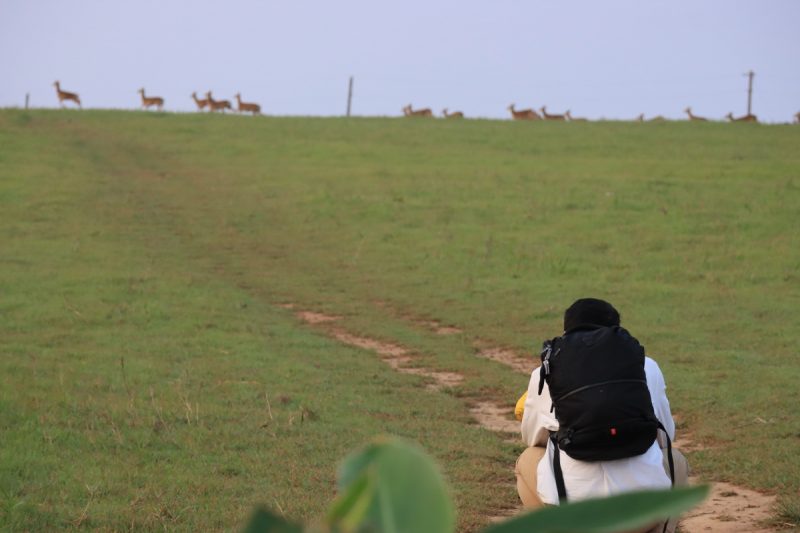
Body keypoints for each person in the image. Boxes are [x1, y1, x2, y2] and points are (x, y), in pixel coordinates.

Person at [515, 298, 690, 533]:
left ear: (567, 333)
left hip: (575, 518)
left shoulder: (546, 371)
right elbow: (665, 434)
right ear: (616, 331)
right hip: (642, 516)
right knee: (673, 457)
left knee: (529, 457)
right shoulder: (646, 365)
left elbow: (531, 436)